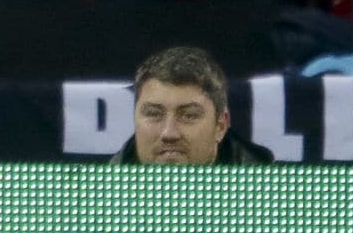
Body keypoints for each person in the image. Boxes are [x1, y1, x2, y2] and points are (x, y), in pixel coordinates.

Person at [112, 46, 272, 164]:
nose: (169, 134)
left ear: (221, 126)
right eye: (154, 114)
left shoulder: (270, 202)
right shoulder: (100, 201)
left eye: (188, 115)